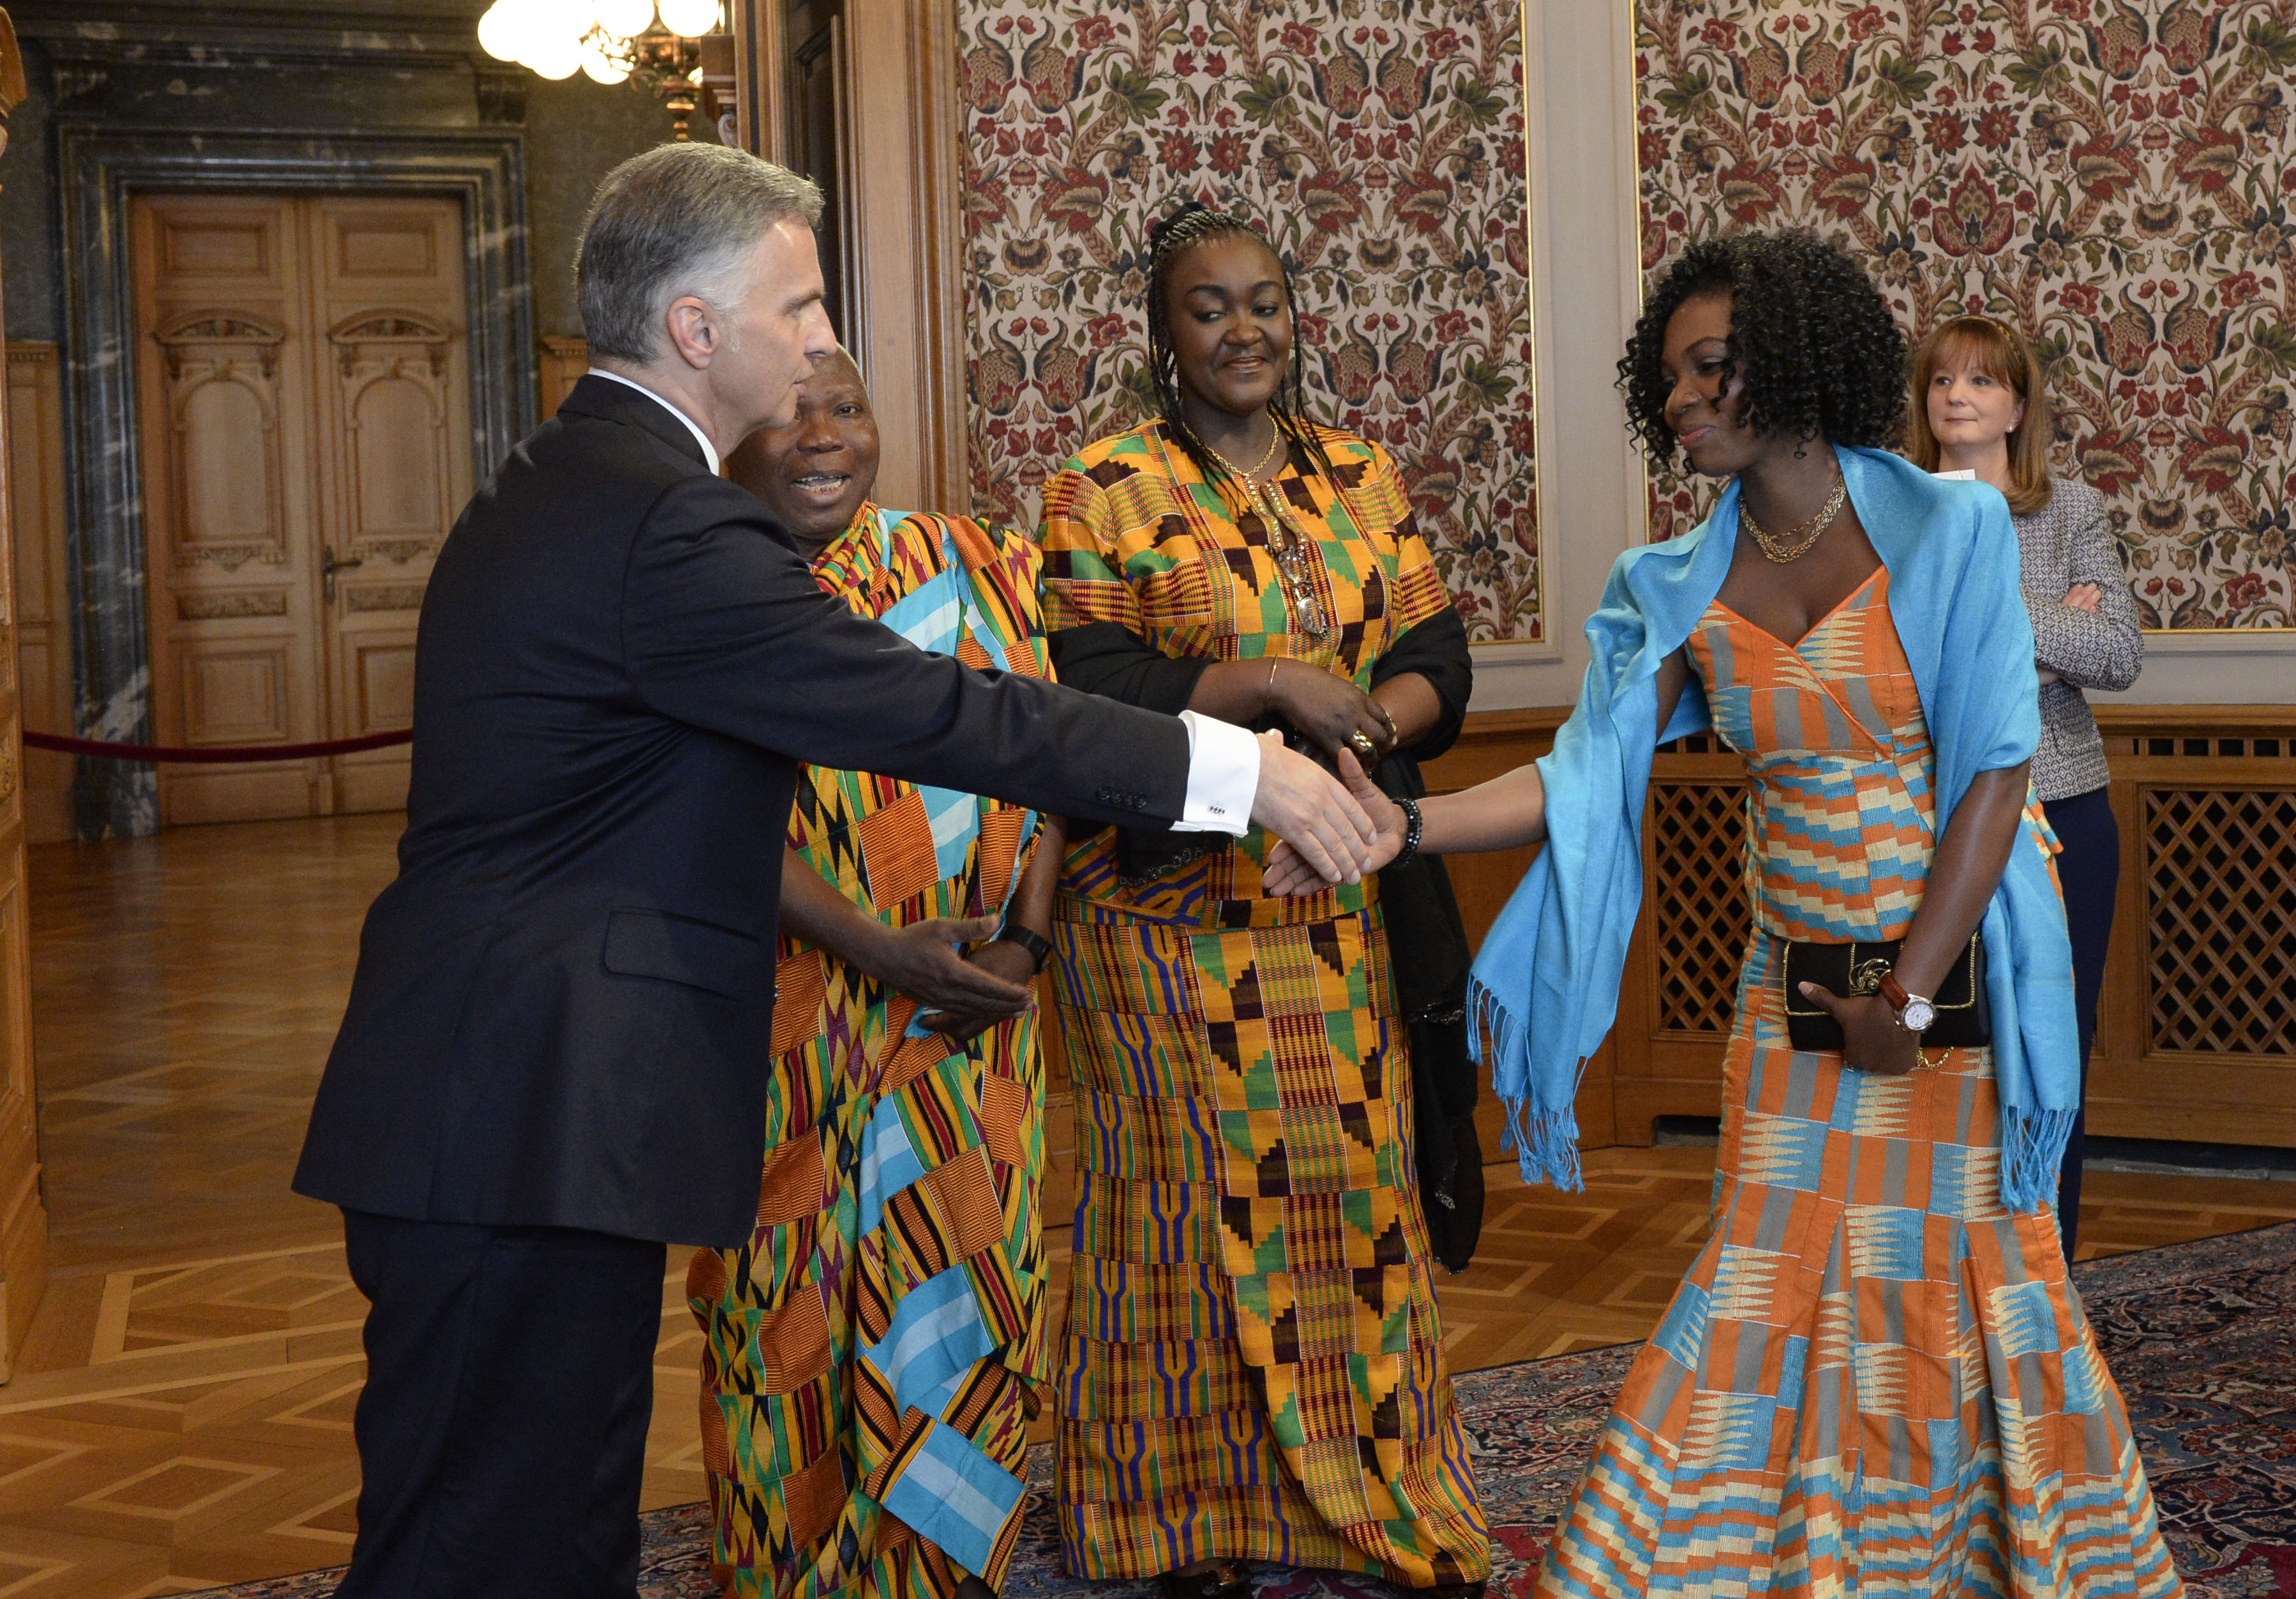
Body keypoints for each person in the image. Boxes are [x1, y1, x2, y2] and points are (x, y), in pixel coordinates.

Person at [290, 144, 1378, 1599]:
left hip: (516, 1103)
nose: (819, 339)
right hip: (521, 1110)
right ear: (696, 328)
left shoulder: (581, 479)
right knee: (486, 1542)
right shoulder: (665, 518)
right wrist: (1249, 769)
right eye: (797, 306)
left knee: (539, 1530)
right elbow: (933, 704)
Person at [1272, 232, 2180, 1599]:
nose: (1684, 401)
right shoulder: (1672, 583)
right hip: (1794, 992)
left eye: (1710, 370)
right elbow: (1580, 775)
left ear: (1795, 364)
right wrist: (1406, 823)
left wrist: (1912, 998)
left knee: (1958, 1273)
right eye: (1670, 378)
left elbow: (1998, 771)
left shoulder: (1950, 526)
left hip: (1944, 985)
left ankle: (1950, 1558)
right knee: (1765, 1275)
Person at [1037, 203, 1490, 1599]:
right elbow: (1085, 691)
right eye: (1208, 305)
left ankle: (1360, 1486)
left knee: (1344, 1204)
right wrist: (1270, 685)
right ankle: (1169, 1514)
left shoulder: (1358, 473)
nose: (1244, 329)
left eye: (1265, 301)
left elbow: (1434, 662)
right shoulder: (1096, 486)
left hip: (1328, 904)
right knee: (1178, 1213)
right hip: (1160, 928)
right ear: (1161, 332)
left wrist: (1353, 752)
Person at [689, 346, 1063, 1599]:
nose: (821, 435)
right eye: (785, 413)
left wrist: (1023, 943)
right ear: (728, 437)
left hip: (976, 1028)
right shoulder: (702, 594)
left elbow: (1045, 755)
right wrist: (874, 949)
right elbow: (700, 821)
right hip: (792, 1037)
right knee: (782, 1311)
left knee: (967, 1296)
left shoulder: (969, 564)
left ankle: (943, 1572)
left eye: (843, 405)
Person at [1910, 315, 2142, 1258]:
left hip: (2064, 816)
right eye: (1940, 382)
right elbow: (1907, 670)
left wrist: (1997, 607)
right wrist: (2049, 630)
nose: (1956, 397)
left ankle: (2045, 1268)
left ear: (2015, 406)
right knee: (1940, 1044)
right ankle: (1944, 1270)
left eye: (1979, 382)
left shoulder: (2070, 511)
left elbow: (2118, 652)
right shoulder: (1896, 514)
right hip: (1937, 815)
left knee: (2049, 1046)